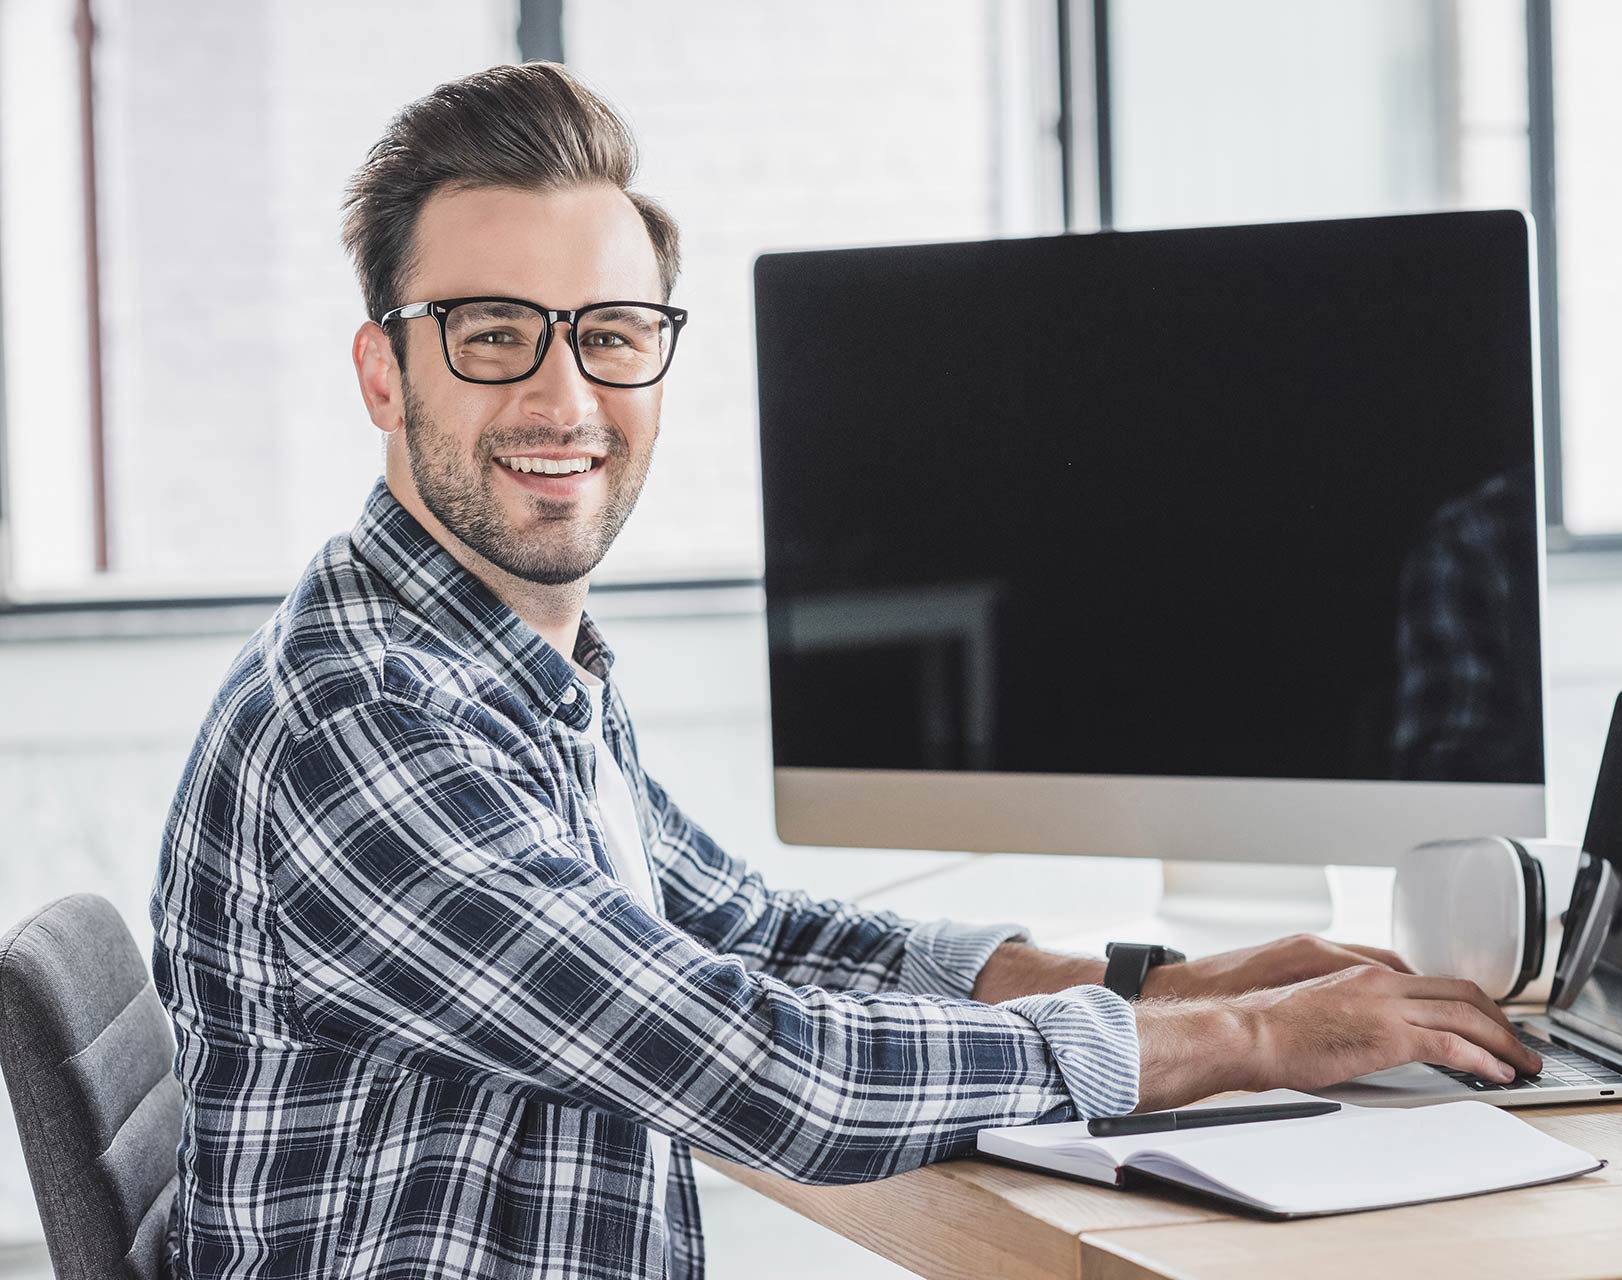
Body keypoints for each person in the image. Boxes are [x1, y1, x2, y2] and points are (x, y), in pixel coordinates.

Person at [149, 62, 1541, 1280]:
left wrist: (1159, 985)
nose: (563, 397)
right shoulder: (366, 722)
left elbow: (756, 939)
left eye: (611, 333)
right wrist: (1249, 1040)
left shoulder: (512, 673)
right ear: (383, 375)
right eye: (493, 333)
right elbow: (774, 1071)